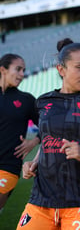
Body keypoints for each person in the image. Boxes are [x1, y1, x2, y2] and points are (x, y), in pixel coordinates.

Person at [16, 39, 80, 229]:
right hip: (41, 199)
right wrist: (34, 163)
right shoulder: (44, 101)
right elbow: (48, 140)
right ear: (61, 69)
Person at [0, 54, 40, 215]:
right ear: (3, 70)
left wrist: (34, 141)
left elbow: (50, 127)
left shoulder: (26, 100)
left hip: (8, 167)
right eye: (18, 69)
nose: (22, 74)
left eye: (23, 70)